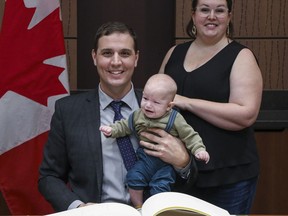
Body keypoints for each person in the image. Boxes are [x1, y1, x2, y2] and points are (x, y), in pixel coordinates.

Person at [38, 21, 198, 212]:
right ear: (94, 57)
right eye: (107, 53)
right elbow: (49, 177)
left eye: (125, 53)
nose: (116, 62)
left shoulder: (165, 109)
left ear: (136, 58)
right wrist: (79, 208)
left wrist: (183, 163)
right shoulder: (68, 111)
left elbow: (190, 178)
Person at [158, 0, 263, 214]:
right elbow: (155, 101)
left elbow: (246, 114)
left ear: (229, 16)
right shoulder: (174, 53)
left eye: (220, 10)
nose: (212, 16)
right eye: (205, 9)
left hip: (228, 176)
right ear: (194, 14)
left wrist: (187, 102)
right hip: (177, 172)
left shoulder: (241, 56)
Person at [100, 73, 209, 209]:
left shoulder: (175, 118)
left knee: (161, 186)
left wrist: (199, 149)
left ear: (169, 106)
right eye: (145, 98)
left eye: (156, 102)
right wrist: (111, 130)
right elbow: (124, 126)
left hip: (166, 164)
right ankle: (139, 207)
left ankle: (154, 210)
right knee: (133, 178)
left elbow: (190, 136)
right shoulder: (138, 115)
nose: (148, 105)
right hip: (145, 159)